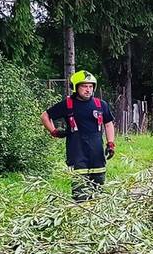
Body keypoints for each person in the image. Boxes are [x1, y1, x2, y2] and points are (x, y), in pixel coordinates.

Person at [40, 70, 116, 201]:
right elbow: (45, 116)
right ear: (75, 87)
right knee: (80, 195)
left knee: (98, 195)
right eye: (84, 86)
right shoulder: (67, 104)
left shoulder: (101, 105)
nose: (88, 90)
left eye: (91, 86)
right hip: (77, 154)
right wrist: (54, 132)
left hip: (97, 154)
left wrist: (110, 143)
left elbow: (108, 124)